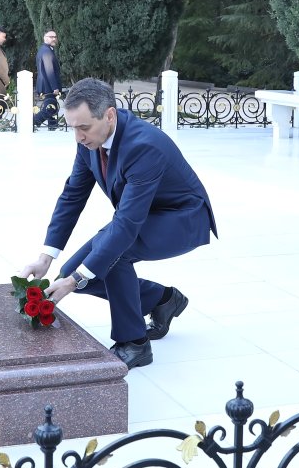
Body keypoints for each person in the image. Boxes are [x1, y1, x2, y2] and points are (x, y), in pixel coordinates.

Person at [22, 78, 216, 369]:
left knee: (110, 257)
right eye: (72, 127)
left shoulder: (144, 146)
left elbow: (126, 225)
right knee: (74, 272)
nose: (78, 137)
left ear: (109, 115)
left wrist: (75, 281)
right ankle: (162, 300)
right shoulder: (89, 141)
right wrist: (45, 258)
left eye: (84, 127)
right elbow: (72, 196)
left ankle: (135, 343)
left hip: (182, 218)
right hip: (142, 215)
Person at [34, 28, 62, 130]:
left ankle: (52, 125)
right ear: (45, 38)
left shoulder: (45, 49)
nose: (54, 39)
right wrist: (55, 87)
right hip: (48, 85)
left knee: (51, 105)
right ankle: (33, 121)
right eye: (51, 37)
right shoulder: (46, 51)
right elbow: (49, 70)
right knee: (50, 107)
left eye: (55, 37)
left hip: (45, 84)